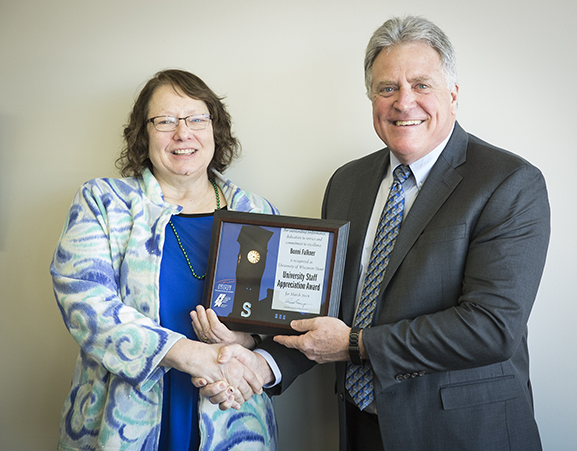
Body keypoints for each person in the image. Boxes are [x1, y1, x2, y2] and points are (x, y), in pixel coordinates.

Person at [200, 15, 551, 451]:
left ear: (454, 96)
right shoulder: (347, 183)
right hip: (362, 427)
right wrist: (258, 363)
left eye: (422, 85)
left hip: (464, 432)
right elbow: (326, 311)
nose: (404, 102)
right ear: (371, 98)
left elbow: (491, 327)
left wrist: (355, 344)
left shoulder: (508, 182)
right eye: (387, 88)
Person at [50, 69, 278, 451]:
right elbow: (86, 304)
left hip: (231, 411)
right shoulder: (104, 202)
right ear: (143, 133)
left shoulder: (256, 211)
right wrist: (193, 355)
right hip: (122, 419)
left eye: (196, 119)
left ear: (214, 129)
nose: (182, 133)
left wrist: (246, 338)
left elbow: (280, 315)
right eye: (165, 121)